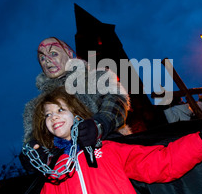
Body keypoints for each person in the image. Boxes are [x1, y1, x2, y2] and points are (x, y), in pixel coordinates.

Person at [15, 87, 202, 194]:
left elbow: (158, 163)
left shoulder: (109, 148)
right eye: (47, 115)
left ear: (76, 114)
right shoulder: (57, 171)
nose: (53, 117)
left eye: (60, 110)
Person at [21, 37, 131, 171]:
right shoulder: (35, 107)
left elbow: (117, 100)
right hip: (68, 172)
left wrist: (99, 125)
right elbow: (33, 139)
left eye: (53, 53)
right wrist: (32, 151)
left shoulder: (97, 78)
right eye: (42, 59)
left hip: (112, 158)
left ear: (69, 54)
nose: (47, 60)